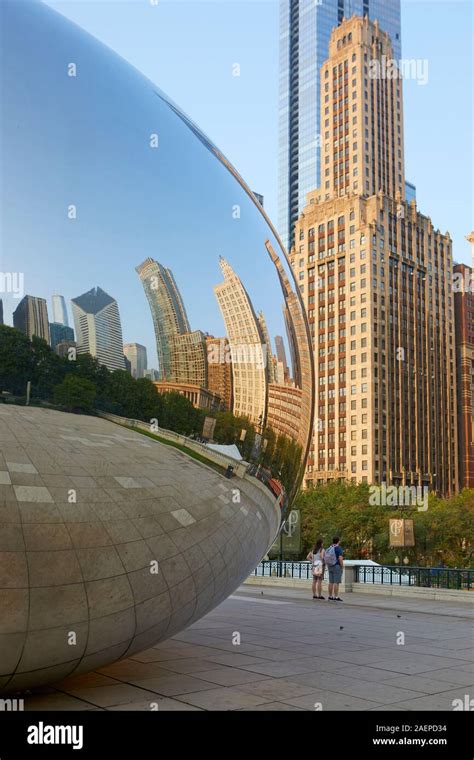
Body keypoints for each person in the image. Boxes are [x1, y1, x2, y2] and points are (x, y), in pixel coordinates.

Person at [325, 536, 344, 601]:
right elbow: (340, 558)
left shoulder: (330, 547)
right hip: (336, 566)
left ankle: (330, 596)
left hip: (330, 566)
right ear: (338, 541)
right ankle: (336, 597)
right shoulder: (338, 548)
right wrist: (342, 566)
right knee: (336, 582)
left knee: (331, 582)